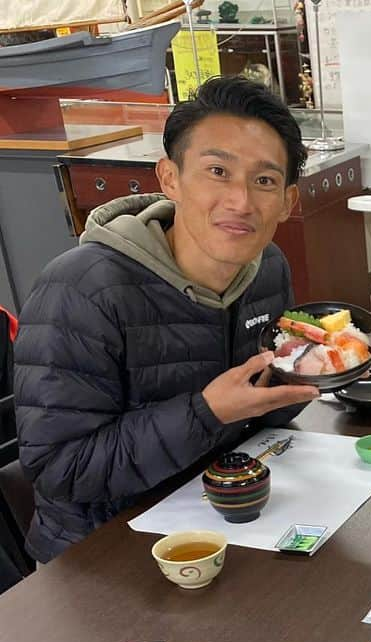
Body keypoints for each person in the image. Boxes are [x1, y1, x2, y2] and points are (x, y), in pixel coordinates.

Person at [14, 76, 320, 563]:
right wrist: (208, 412)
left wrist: (306, 373)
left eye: (264, 180)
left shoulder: (268, 268)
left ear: (287, 201)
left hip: (223, 512)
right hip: (103, 555)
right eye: (218, 171)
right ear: (169, 177)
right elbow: (60, 470)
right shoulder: (81, 289)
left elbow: (262, 414)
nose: (241, 201)